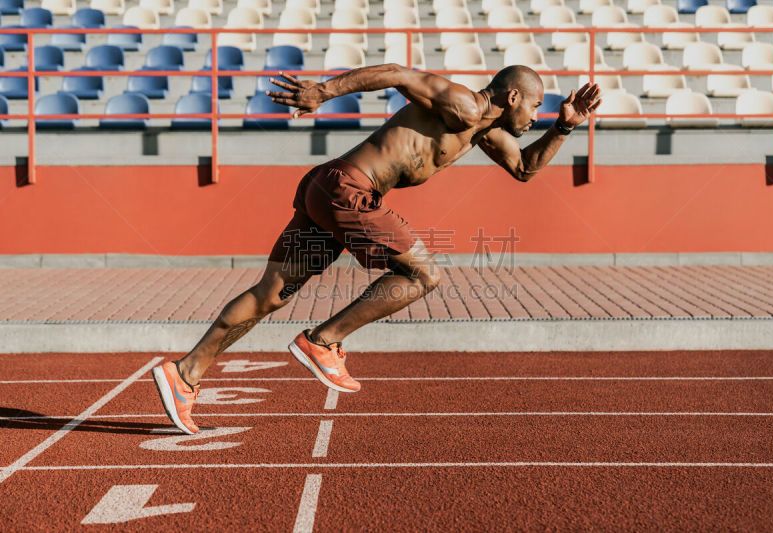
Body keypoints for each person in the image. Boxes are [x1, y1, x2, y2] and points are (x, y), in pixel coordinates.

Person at [151, 64, 602, 435]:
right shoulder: (464, 104)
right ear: (513, 98)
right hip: (350, 190)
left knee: (271, 293)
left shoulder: (486, 132)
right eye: (538, 108)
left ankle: (184, 374)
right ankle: (321, 342)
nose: (536, 119)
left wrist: (565, 126)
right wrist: (323, 92)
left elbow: (525, 169)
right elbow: (396, 74)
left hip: (325, 188)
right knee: (424, 275)